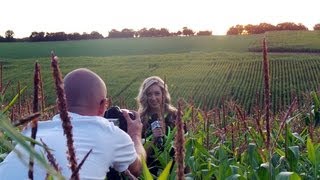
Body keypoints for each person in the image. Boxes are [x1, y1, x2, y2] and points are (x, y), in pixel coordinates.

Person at [0, 68, 146, 179]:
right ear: (103, 105)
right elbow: (137, 169)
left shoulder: (32, 130)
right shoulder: (111, 133)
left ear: (59, 105)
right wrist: (135, 135)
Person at [136, 76, 177, 175]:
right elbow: (138, 157)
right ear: (144, 97)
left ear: (164, 94)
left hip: (174, 171)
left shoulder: (174, 116)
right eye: (149, 94)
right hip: (151, 173)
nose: (153, 98)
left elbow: (185, 147)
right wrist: (153, 140)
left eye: (157, 93)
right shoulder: (140, 120)